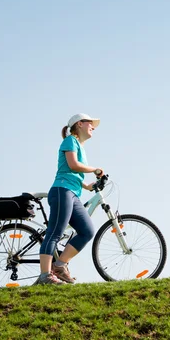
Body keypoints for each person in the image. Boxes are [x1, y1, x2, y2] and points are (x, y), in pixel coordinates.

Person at [36, 113, 104, 285]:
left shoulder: (79, 147)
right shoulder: (70, 141)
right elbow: (73, 165)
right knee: (55, 233)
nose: (93, 127)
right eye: (91, 123)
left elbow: (74, 172)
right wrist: (95, 169)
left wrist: (88, 186)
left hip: (73, 193)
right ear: (80, 124)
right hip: (62, 191)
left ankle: (59, 265)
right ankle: (45, 276)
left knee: (87, 230)